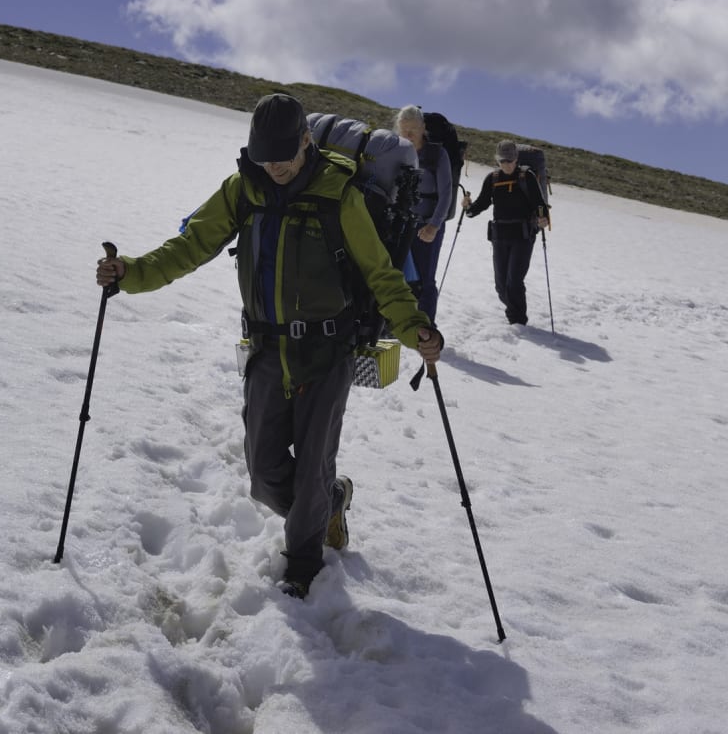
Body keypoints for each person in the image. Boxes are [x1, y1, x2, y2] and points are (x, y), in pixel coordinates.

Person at [95, 93, 444, 599]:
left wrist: (418, 332)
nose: (275, 169)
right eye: (265, 160)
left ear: (306, 141)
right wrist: (130, 273)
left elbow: (381, 274)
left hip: (328, 352)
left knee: (310, 475)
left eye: (283, 158)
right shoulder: (244, 189)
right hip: (265, 349)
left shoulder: (339, 195)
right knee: (263, 475)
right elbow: (191, 245)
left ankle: (302, 573)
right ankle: (331, 501)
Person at [461, 139, 550, 325]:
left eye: (509, 160)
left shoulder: (527, 177)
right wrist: (468, 209)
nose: (506, 165)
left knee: (514, 282)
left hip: (523, 236)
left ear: (516, 159)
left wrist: (543, 218)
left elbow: (539, 204)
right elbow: (481, 204)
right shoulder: (493, 179)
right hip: (499, 236)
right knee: (501, 286)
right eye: (502, 161)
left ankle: (518, 322)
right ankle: (515, 314)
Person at [393, 105, 454, 322]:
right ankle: (398, 323)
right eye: (404, 130)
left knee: (425, 279)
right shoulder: (396, 150)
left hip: (427, 225)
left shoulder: (438, 154)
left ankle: (426, 328)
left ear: (423, 128)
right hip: (399, 223)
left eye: (413, 129)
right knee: (396, 275)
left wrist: (434, 226)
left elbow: (446, 194)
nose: (408, 135)